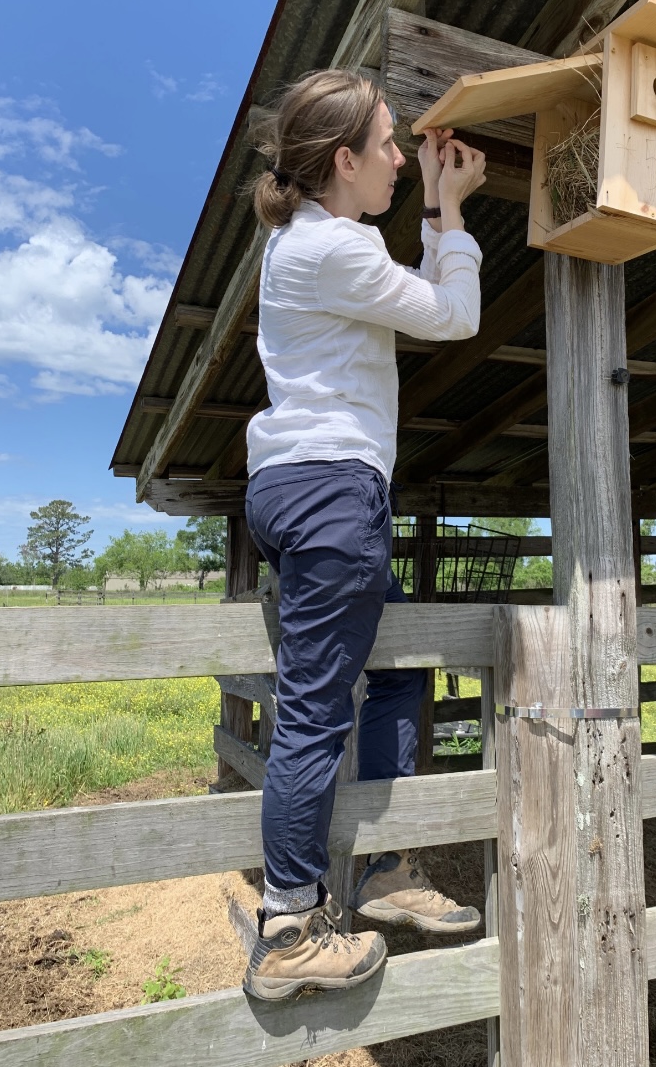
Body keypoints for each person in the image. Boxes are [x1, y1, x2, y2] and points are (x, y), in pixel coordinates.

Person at [241, 69, 486, 1001]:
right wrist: (448, 211)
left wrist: (432, 198)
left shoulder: (318, 244)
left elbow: (410, 296)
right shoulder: (332, 248)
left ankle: (385, 872)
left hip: (309, 491)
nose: (398, 154)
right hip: (331, 493)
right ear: (341, 162)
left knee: (395, 673)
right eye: (388, 142)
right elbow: (452, 314)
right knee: (313, 706)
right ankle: (289, 926)